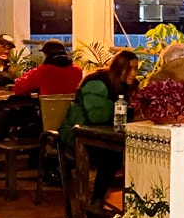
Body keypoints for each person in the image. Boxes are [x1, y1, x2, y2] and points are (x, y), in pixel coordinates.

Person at [58, 49, 139, 209]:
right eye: (129, 68)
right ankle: (95, 201)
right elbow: (97, 116)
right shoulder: (97, 82)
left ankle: (135, 205)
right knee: (111, 155)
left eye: (136, 68)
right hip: (76, 136)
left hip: (104, 135)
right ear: (118, 68)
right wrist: (125, 108)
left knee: (135, 153)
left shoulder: (127, 86)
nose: (133, 73)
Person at [12, 39, 83, 98]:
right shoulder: (78, 71)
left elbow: (18, 89)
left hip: (49, 113)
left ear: (46, 55)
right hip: (72, 114)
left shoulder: (43, 71)